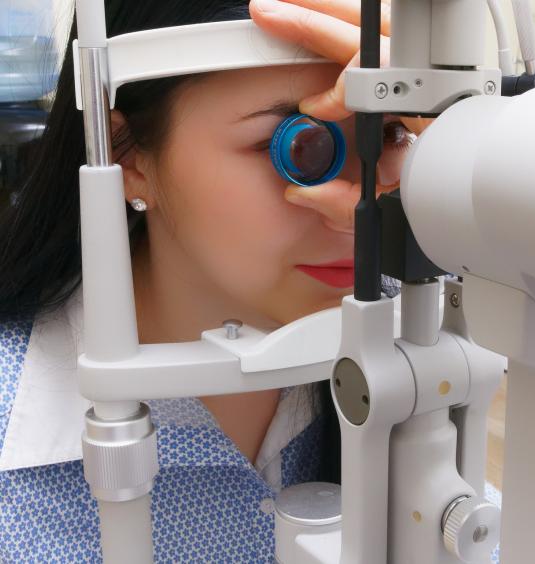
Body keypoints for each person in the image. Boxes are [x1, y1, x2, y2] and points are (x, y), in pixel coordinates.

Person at [0, 0, 418, 560]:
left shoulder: (413, 335)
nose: (352, 207)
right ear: (126, 157)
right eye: (302, 146)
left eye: (389, 135)